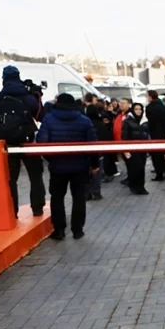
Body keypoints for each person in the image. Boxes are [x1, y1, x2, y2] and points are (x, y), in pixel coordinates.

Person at [36, 93, 98, 240]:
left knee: (57, 197)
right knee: (79, 197)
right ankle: (77, 230)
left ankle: (59, 230)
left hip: (58, 166)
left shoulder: (49, 119)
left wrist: (51, 159)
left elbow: (41, 142)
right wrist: (94, 163)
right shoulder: (84, 120)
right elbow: (93, 144)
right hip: (80, 165)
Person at [0, 65, 46, 218]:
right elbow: (40, 116)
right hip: (28, 142)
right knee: (35, 176)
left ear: (3, 79)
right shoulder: (28, 97)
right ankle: (37, 208)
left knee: (10, 180)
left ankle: (12, 211)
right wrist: (37, 96)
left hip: (5, 145)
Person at [121, 103, 150, 195]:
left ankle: (141, 186)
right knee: (134, 168)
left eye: (140, 109)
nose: (138, 111)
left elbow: (147, 134)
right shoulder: (127, 121)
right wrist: (125, 149)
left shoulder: (145, 121)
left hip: (143, 148)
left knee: (141, 168)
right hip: (132, 148)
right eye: (136, 109)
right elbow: (124, 136)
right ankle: (134, 186)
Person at [146, 90, 165, 181]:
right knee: (163, 153)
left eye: (147, 96)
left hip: (154, 133)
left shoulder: (150, 107)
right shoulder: (162, 106)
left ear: (150, 96)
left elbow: (149, 120)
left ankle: (159, 174)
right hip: (163, 133)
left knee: (156, 155)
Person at [83, 104, 106, 200]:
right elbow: (105, 136)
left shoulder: (84, 123)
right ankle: (96, 192)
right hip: (99, 151)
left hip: (85, 151)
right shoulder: (100, 123)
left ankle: (86, 193)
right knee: (97, 173)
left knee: (86, 174)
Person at [114, 98, 131, 185]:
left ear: (128, 104)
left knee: (129, 161)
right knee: (126, 161)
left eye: (123, 103)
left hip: (127, 143)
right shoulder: (119, 114)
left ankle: (131, 178)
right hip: (120, 142)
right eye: (120, 103)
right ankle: (129, 176)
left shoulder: (129, 115)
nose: (121, 105)